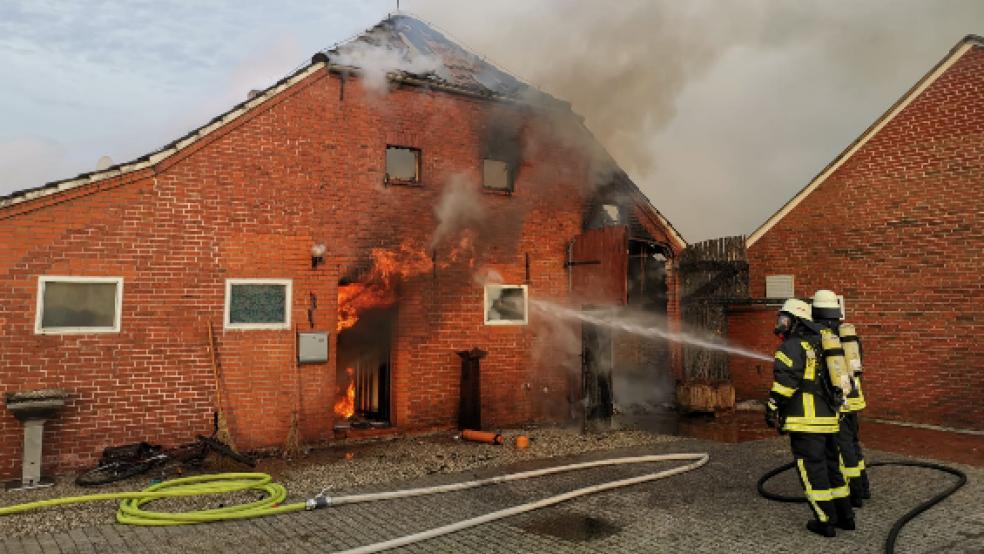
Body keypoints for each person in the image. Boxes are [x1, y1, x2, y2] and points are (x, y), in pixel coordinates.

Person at [766, 298, 855, 537]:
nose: (781, 324)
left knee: (812, 469)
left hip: (806, 421)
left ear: (797, 321)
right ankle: (846, 516)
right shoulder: (822, 342)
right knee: (833, 467)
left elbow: (785, 383)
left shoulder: (792, 346)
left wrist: (772, 406)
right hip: (829, 419)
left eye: (785, 319)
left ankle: (825, 521)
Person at [813, 289, 870, 507]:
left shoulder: (825, 338)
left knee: (843, 449)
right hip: (854, 399)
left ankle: (854, 495)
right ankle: (863, 488)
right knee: (854, 445)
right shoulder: (849, 335)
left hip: (840, 403)